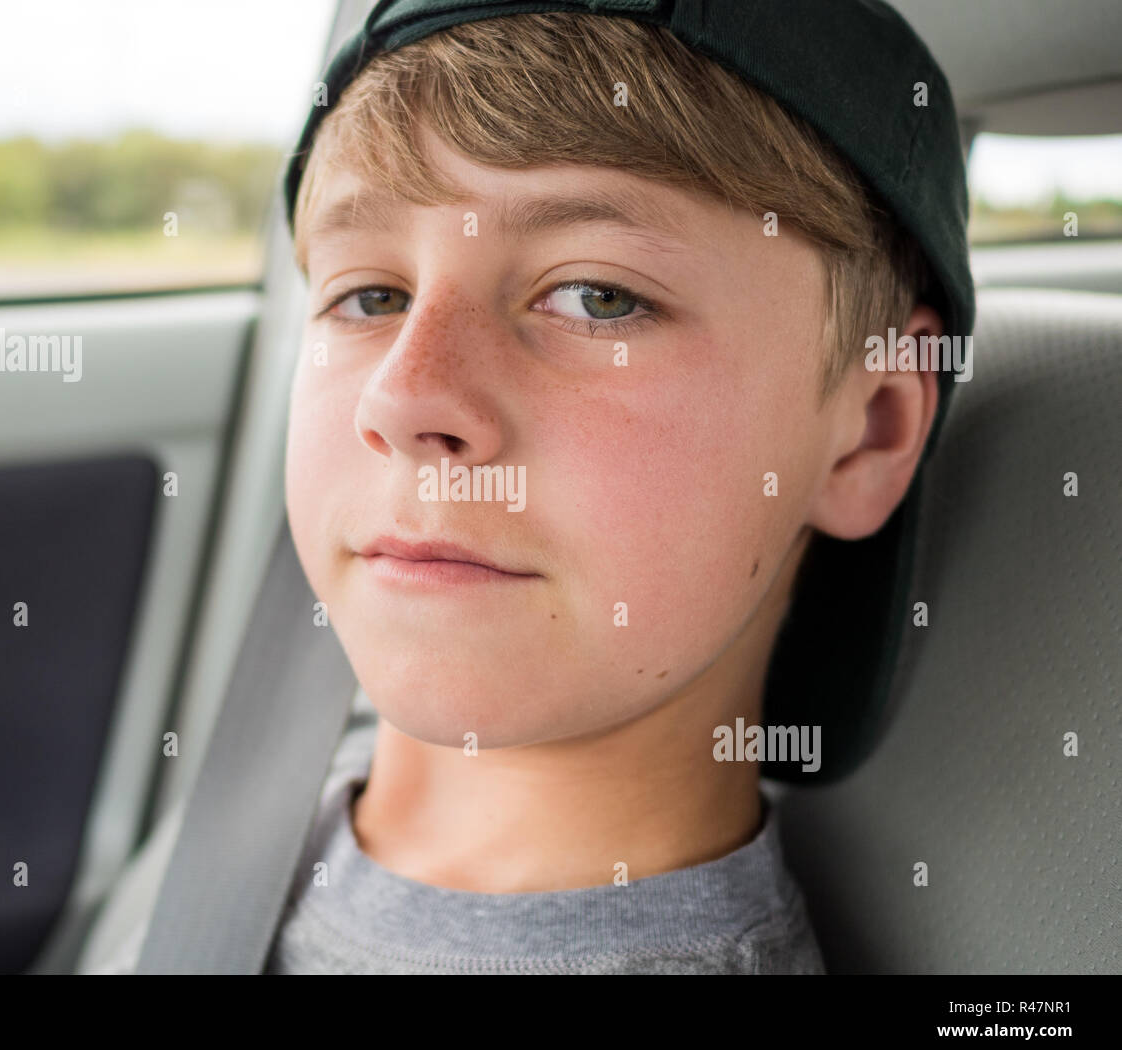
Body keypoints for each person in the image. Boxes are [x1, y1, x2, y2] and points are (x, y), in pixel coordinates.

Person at [78, 0, 974, 975]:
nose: (405, 395)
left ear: (865, 436)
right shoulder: (259, 805)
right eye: (369, 296)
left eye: (599, 297)